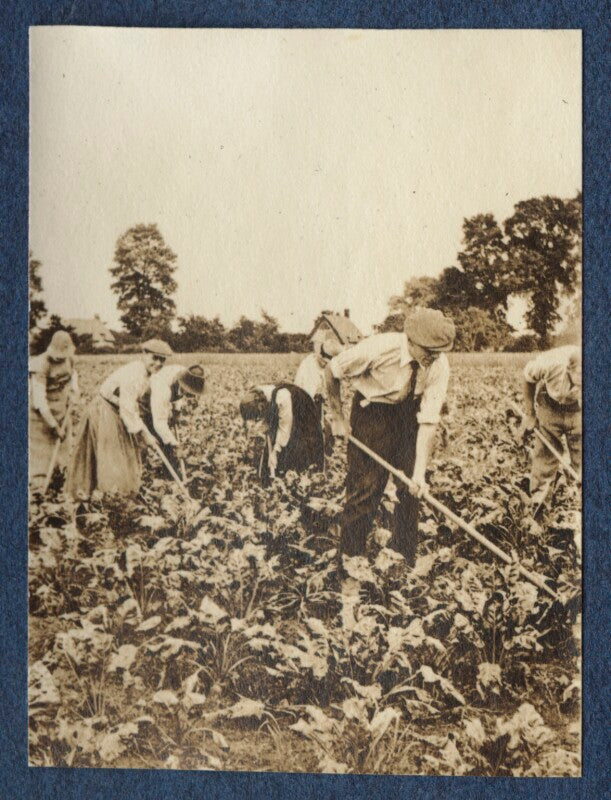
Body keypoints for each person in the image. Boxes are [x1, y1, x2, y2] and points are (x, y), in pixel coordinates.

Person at [325, 307, 456, 571]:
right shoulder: (379, 348)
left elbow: (428, 421)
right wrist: (338, 417)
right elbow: (332, 370)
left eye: (438, 352)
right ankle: (351, 560)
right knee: (366, 488)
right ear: (411, 340)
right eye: (428, 351)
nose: (433, 357)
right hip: (372, 414)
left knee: (412, 491)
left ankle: (401, 560)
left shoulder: (438, 365)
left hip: (409, 416)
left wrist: (419, 473)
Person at [67, 339, 173, 498]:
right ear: (144, 355)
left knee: (120, 454)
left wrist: (146, 431)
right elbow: (127, 408)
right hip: (104, 410)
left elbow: (133, 407)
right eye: (154, 358)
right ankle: (112, 496)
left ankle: (114, 495)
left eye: (162, 360)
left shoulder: (146, 375)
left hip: (116, 410)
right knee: (112, 455)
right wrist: (145, 435)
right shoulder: (135, 374)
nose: (158, 363)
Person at [519, 344, 582, 507]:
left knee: (582, 454)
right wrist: (531, 414)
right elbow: (527, 378)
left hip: (578, 410)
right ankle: (539, 503)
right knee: (546, 454)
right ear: (569, 369)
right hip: (549, 405)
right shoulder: (551, 363)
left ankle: (574, 500)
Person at [239, 383, 324, 483]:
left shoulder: (281, 396)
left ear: (261, 406)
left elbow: (285, 428)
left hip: (304, 420)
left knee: (301, 454)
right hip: (290, 417)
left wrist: (275, 452)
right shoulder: (260, 395)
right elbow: (268, 417)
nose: (258, 418)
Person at [29, 330, 80, 488]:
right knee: (41, 457)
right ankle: (39, 490)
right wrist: (54, 426)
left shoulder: (70, 360)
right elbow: (39, 401)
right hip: (40, 418)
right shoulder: (40, 364)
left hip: (62, 412)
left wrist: (74, 392)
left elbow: (73, 377)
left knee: (62, 453)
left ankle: (59, 485)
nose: (60, 358)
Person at [141, 362, 206, 477]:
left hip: (157, 402)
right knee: (157, 438)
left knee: (166, 439)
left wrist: (176, 411)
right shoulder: (163, 388)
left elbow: (180, 395)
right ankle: (163, 473)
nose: (192, 395)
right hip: (142, 403)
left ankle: (169, 471)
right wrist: (176, 446)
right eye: (191, 391)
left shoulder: (186, 374)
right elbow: (159, 422)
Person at [294, 338, 344, 453]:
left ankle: (325, 452)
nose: (325, 363)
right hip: (303, 404)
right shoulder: (309, 366)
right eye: (324, 361)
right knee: (312, 434)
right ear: (320, 355)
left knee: (326, 432)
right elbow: (308, 396)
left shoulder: (323, 366)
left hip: (315, 403)